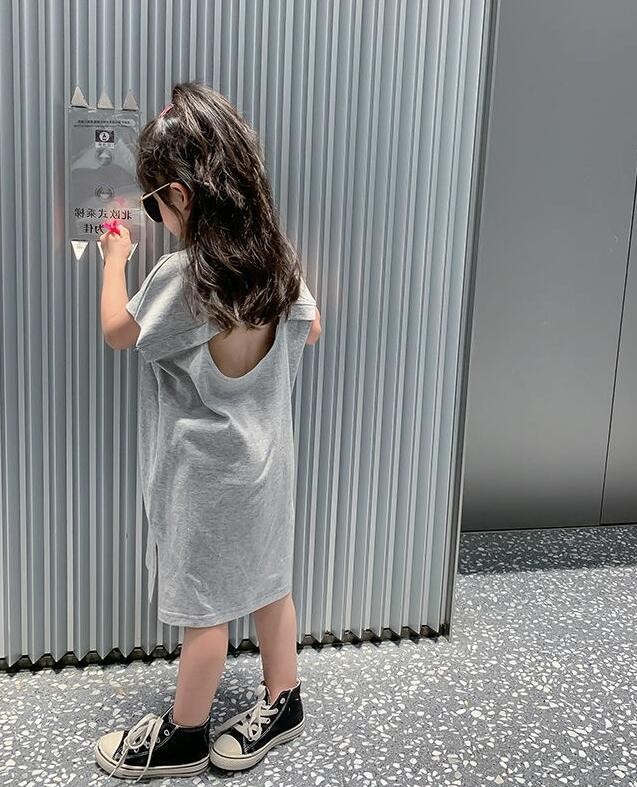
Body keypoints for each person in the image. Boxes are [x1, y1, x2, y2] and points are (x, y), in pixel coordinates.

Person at [94, 81, 321, 781]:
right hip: (268, 462)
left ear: (181, 197)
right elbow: (311, 327)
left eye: (154, 203)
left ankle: (184, 735)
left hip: (202, 477)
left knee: (205, 616)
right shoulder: (276, 261)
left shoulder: (184, 276)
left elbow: (117, 332)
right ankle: (283, 701)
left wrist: (115, 259)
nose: (156, 215)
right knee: (271, 586)